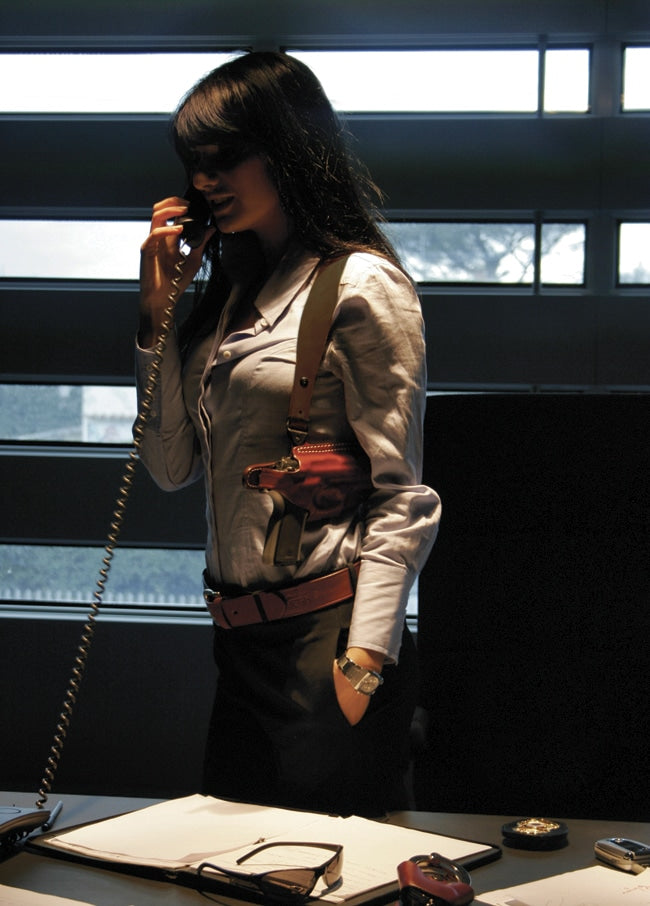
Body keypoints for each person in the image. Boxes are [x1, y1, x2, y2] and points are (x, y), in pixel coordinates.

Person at [135, 50, 440, 817]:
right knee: (226, 862)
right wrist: (156, 319)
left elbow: (402, 495)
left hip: (328, 639)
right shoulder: (229, 303)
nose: (204, 179)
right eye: (194, 162)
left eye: (225, 157)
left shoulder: (362, 285)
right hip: (240, 646)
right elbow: (170, 467)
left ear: (287, 147)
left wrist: (366, 659)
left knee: (334, 865)